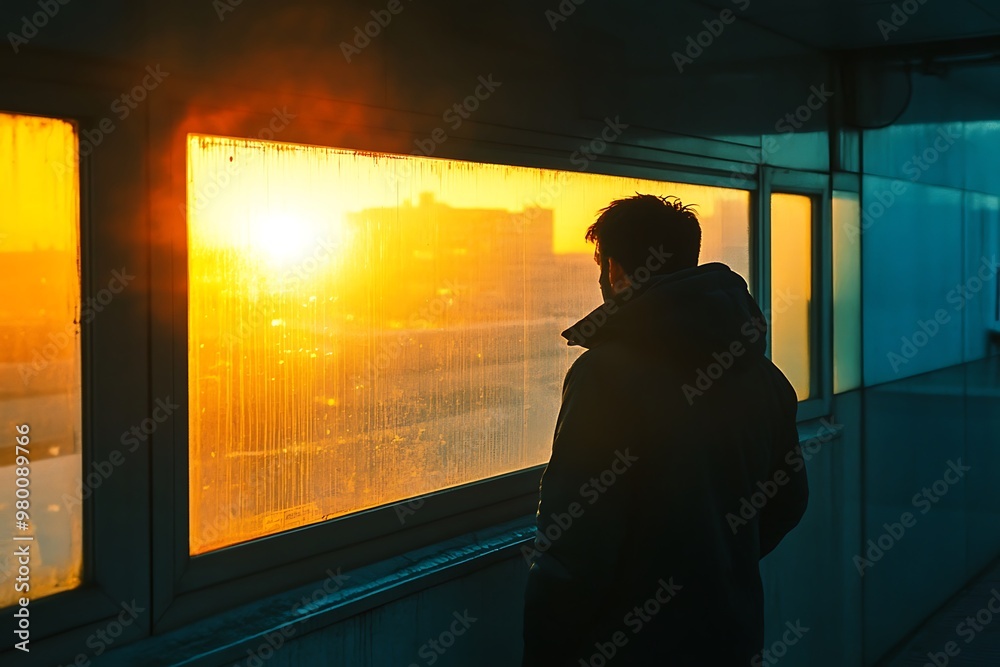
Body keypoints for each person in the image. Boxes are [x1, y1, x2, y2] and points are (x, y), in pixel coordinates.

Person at [521, 194, 808, 666]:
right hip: (730, 637)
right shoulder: (763, 376)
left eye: (600, 266)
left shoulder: (605, 377)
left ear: (614, 269)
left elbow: (576, 539)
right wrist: (716, 563)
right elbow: (789, 500)